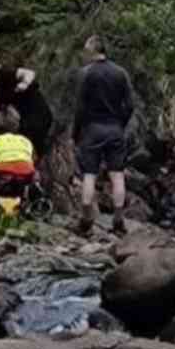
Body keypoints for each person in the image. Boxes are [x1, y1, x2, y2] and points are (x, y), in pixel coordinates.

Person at [73, 35, 134, 236]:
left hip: (92, 129)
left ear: (92, 50)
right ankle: (118, 220)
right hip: (115, 128)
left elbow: (80, 107)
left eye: (85, 50)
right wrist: (120, 124)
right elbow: (129, 105)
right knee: (117, 175)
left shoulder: (86, 74)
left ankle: (86, 220)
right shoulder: (121, 72)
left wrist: (76, 132)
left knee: (89, 175)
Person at [0, 63, 53, 158]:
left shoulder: (2, 73)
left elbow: (29, 73)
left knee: (28, 146)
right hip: (27, 122)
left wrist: (24, 84)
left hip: (40, 115)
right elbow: (2, 114)